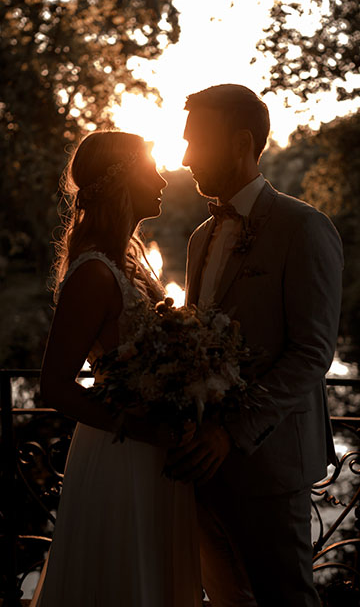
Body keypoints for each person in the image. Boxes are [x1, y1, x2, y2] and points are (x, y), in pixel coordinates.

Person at [165, 84, 343, 606]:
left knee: (285, 596)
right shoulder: (200, 237)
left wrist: (233, 432)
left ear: (241, 142)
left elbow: (312, 352)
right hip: (202, 465)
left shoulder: (304, 228)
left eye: (197, 142)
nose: (185, 158)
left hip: (270, 462)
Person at [30, 131, 202, 607]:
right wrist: (139, 426)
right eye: (152, 169)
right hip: (120, 451)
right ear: (124, 178)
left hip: (155, 451)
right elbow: (55, 385)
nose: (164, 177)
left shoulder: (129, 263)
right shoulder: (93, 274)